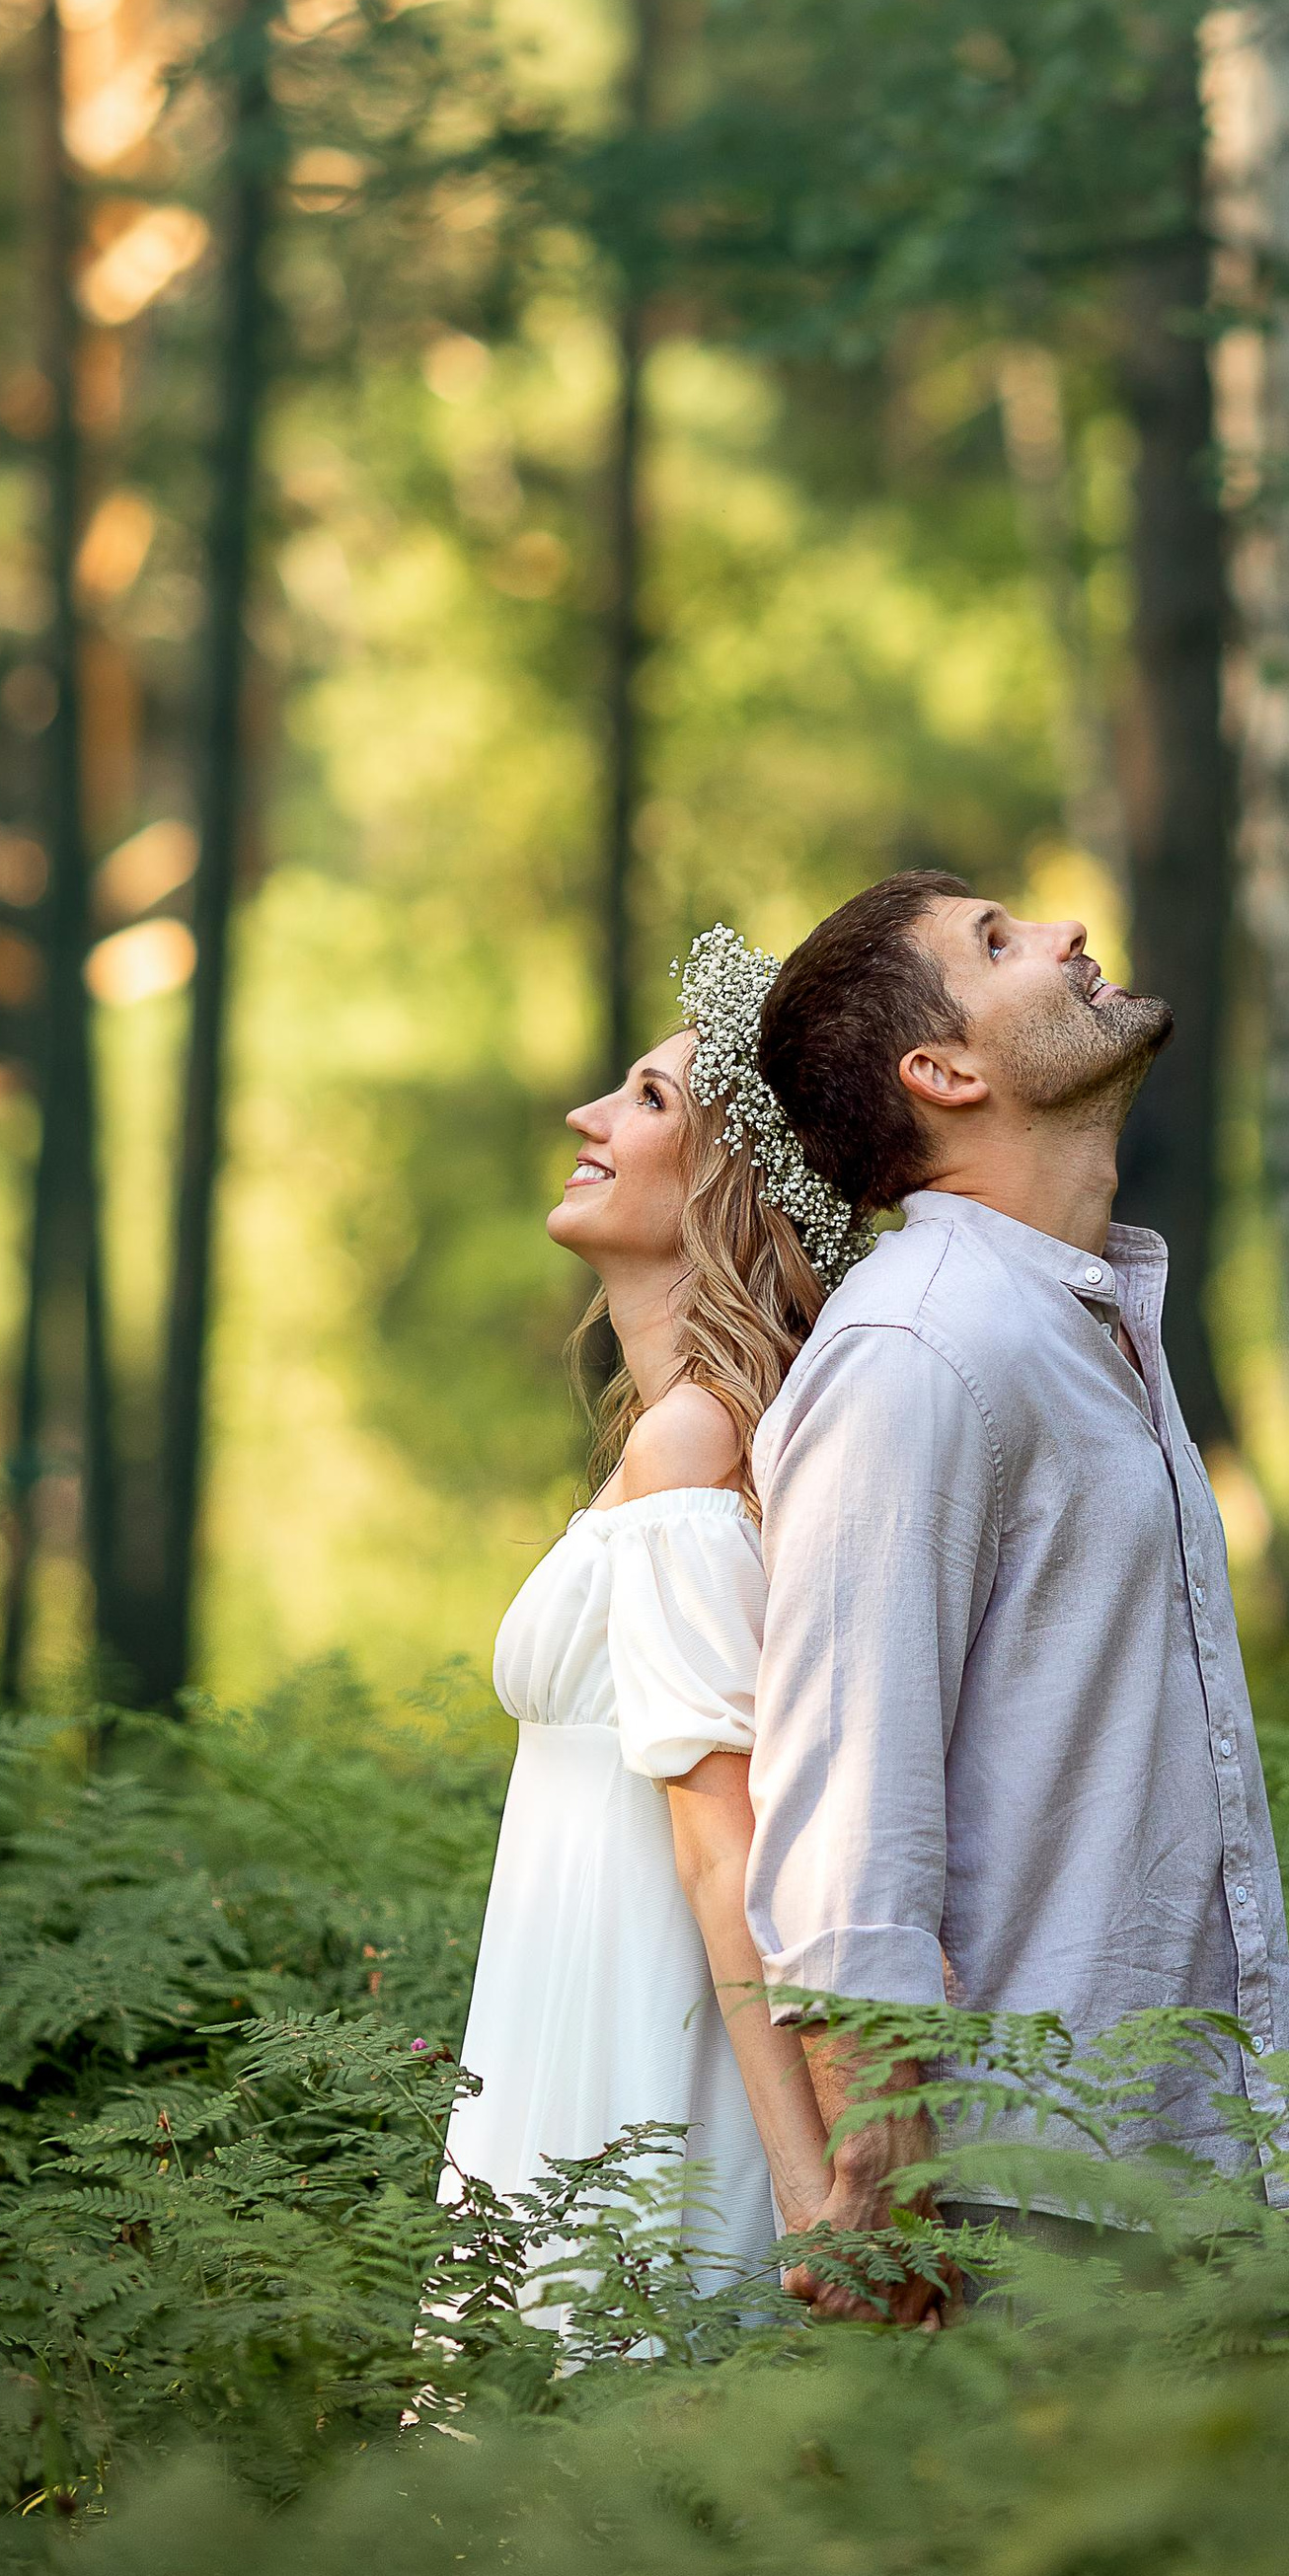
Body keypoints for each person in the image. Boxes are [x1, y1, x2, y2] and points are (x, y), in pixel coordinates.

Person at [747, 871, 1289, 2324]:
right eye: (997, 943)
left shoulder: (1079, 1315)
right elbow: (846, 1783)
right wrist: (882, 2157)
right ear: (942, 1071)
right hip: (1024, 2201)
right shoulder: (920, 1351)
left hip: (1179, 2154)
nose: (1063, 931)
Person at [440, 930, 871, 2300]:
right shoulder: (693, 1437)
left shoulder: (694, 1448)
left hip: (635, 2051)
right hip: (574, 2003)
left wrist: (812, 2192)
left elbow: (724, 1850)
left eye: (647, 1099)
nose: (587, 1115)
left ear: (727, 1187)